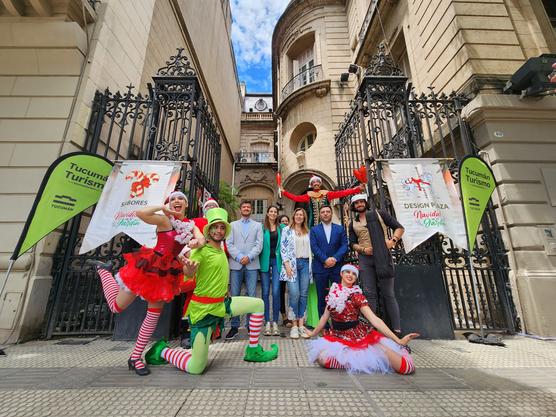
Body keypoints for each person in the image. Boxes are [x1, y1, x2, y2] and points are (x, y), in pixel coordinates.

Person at [145, 208, 279, 373]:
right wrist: (189, 269)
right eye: (215, 227)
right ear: (208, 230)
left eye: (222, 227)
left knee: (258, 304)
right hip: (204, 312)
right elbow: (189, 272)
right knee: (196, 367)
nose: (219, 231)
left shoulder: (221, 249)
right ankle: (162, 350)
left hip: (222, 305)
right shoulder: (200, 251)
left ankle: (253, 351)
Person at [86, 191, 204, 376]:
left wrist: (196, 241)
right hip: (148, 267)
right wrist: (161, 207)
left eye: (180, 198)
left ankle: (135, 357)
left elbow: (200, 238)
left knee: (152, 316)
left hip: (166, 274)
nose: (176, 201)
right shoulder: (165, 221)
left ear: (186, 204)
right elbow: (141, 213)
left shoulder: (190, 226)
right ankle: (104, 270)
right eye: (172, 199)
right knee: (116, 307)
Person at [307, 264, 418, 374]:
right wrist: (313, 333)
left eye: (354, 274)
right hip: (337, 335)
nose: (350, 275)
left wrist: (398, 340)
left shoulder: (356, 296)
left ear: (356, 278)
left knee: (406, 368)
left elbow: (375, 320)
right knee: (323, 360)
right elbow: (324, 317)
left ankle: (391, 353)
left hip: (356, 336)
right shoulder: (333, 293)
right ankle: (357, 358)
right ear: (341, 273)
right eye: (347, 272)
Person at [348, 194, 405, 337]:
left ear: (366, 203)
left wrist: (393, 241)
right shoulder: (353, 223)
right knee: (369, 294)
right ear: (353, 206)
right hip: (365, 259)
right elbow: (352, 243)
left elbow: (399, 228)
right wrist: (362, 249)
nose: (359, 204)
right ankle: (370, 330)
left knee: (389, 294)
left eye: (361, 202)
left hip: (382, 257)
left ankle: (396, 331)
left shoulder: (380, 214)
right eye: (356, 203)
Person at [180, 197, 222, 349]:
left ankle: (211, 332)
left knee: (214, 300)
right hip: (198, 265)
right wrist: (188, 251)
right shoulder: (195, 222)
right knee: (191, 300)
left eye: (213, 206)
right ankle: (187, 333)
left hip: (214, 270)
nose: (210, 207)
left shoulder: (221, 225)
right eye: (208, 206)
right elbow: (186, 239)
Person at [226, 200, 264, 339]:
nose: (246, 208)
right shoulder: (232, 225)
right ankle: (234, 326)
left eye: (248, 207)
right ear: (240, 209)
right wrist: (240, 257)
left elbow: (259, 244)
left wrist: (249, 257)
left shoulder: (258, 225)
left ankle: (250, 326)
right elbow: (229, 243)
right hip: (236, 264)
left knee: (251, 295)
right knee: (234, 295)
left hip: (252, 264)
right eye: (244, 207)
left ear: (251, 209)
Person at [309, 205, 349, 323]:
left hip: (337, 268)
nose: (325, 214)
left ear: (331, 214)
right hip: (320, 268)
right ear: (320, 215)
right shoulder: (314, 230)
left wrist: (334, 259)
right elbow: (314, 247)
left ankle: (338, 324)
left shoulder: (340, 229)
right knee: (322, 298)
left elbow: (344, 245)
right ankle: (324, 326)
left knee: (338, 297)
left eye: (327, 211)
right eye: (323, 212)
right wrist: (325, 260)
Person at [280, 176, 364, 227]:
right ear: (311, 185)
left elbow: (342, 193)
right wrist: (284, 192)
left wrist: (357, 189)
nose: (316, 183)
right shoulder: (308, 195)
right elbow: (295, 198)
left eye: (317, 182)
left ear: (320, 184)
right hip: (312, 226)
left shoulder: (327, 194)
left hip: (327, 223)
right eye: (313, 182)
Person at [280, 208, 311, 339]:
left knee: (303, 294)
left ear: (304, 217)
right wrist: (286, 264)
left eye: (301, 215)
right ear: (294, 216)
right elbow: (283, 248)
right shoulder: (287, 230)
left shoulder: (307, 231)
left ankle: (301, 324)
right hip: (291, 264)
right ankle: (293, 325)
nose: (299, 217)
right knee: (294, 293)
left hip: (305, 264)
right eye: (297, 214)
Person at [259, 205, 285, 336]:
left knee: (275, 291)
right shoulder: (261, 228)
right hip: (264, 260)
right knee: (264, 292)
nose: (273, 214)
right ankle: (266, 322)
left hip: (277, 262)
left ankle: (275, 321)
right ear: (267, 213)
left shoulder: (282, 228)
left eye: (275, 212)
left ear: (277, 214)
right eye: (271, 211)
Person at [277, 214, 291, 328]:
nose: (285, 223)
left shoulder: (291, 232)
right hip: (280, 265)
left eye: (286, 221)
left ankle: (292, 316)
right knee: (281, 291)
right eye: (282, 221)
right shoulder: (277, 232)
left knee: (293, 291)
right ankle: (284, 316)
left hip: (291, 266)